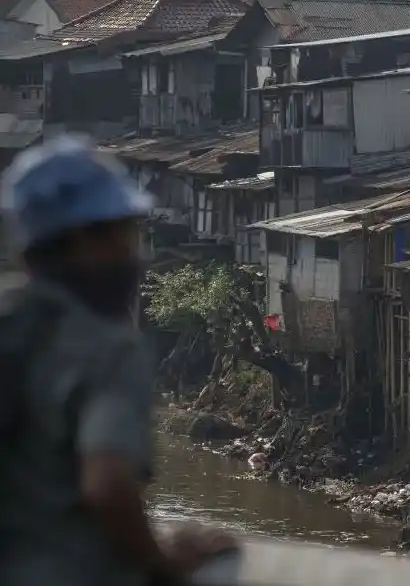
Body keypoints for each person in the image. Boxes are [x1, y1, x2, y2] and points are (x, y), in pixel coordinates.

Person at [0, 135, 235, 586]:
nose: (136, 254)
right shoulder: (107, 348)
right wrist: (162, 562)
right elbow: (107, 488)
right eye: (126, 235)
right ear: (87, 238)